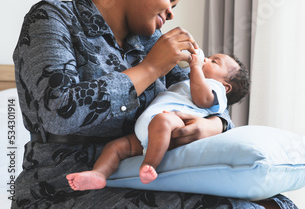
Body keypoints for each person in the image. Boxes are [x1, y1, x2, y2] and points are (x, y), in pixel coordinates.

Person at [12, 0, 297, 209]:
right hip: (61, 188)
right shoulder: (52, 18)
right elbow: (57, 112)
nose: (172, 12)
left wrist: (213, 125)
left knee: (276, 204)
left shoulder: (152, 43)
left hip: (144, 176)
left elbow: (206, 102)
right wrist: (149, 69)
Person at [66, 51, 249, 190]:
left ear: (226, 87)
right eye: (208, 57)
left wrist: (195, 68)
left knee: (163, 121)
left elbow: (202, 99)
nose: (206, 59)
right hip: (145, 131)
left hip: (173, 124)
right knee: (115, 147)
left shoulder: (214, 90)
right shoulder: (191, 81)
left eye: (214, 62)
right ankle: (99, 174)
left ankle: (149, 165)